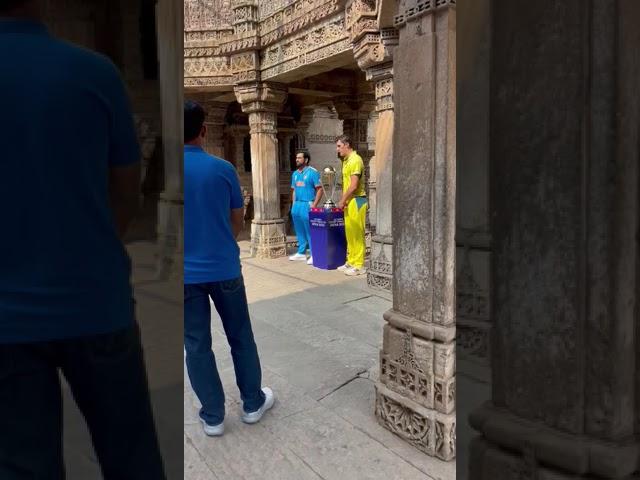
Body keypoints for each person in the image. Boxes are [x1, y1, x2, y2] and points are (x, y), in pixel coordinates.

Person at [0, 1, 165, 478]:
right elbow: (126, 190)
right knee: (131, 456)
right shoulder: (94, 73)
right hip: (97, 303)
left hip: (6, 322)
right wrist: (88, 248)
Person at [183, 100, 274, 437]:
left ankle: (213, 415)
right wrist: (220, 240)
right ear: (203, 131)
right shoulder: (223, 169)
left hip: (183, 276)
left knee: (196, 344)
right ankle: (252, 403)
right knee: (240, 336)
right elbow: (237, 219)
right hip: (224, 268)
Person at [336, 135, 368, 276]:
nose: (338, 149)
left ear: (347, 144)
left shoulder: (355, 160)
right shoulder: (346, 161)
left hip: (357, 200)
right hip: (349, 201)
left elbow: (354, 185)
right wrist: (344, 200)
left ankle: (359, 265)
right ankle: (351, 261)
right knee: (350, 233)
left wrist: (343, 200)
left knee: (357, 233)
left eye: (339, 146)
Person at [288, 150, 323, 265]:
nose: (297, 160)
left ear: (306, 160)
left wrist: (314, 205)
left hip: (307, 203)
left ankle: (314, 254)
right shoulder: (295, 174)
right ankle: (301, 253)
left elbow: (319, 189)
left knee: (310, 231)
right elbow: (293, 190)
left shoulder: (312, 172)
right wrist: (293, 205)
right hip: (297, 205)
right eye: (296, 158)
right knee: (299, 230)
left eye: (299, 158)